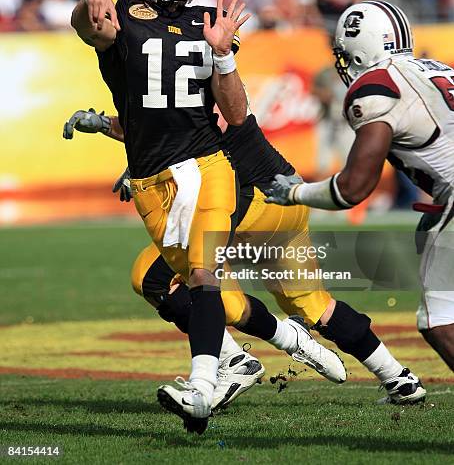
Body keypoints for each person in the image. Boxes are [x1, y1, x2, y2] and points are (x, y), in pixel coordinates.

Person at [69, 0, 344, 433]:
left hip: (205, 166)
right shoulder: (121, 12)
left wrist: (222, 51)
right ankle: (276, 343)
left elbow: (233, 113)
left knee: (202, 277)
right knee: (161, 282)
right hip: (153, 177)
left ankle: (203, 384)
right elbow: (92, 28)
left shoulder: (207, 21)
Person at [64, 101, 425, 406]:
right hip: (287, 199)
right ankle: (398, 377)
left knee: (154, 277)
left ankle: (239, 358)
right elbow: (173, 128)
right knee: (316, 305)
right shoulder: (206, 87)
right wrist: (112, 131)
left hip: (247, 202)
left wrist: (133, 155)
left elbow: (176, 130)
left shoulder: (193, 88)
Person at [266, 0, 454, 373]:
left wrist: (294, 193)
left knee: (439, 320)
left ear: (359, 46)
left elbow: (352, 189)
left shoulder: (376, 87)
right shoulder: (439, 69)